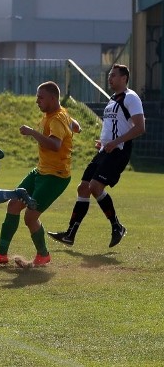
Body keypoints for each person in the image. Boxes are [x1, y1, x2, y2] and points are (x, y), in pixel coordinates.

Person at [0, 81, 79, 267]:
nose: (37, 101)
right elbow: (74, 123)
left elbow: (55, 145)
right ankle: (1, 254)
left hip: (55, 177)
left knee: (30, 217)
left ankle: (43, 255)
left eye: (41, 97)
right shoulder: (59, 113)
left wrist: (33, 132)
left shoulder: (56, 119)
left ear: (52, 98)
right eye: (37, 97)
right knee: (13, 205)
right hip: (40, 171)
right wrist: (74, 126)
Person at [48, 64, 145, 248]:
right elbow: (115, 126)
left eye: (114, 75)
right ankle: (70, 235)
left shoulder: (131, 97)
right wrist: (104, 142)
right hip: (105, 150)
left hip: (119, 151)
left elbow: (140, 128)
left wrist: (115, 142)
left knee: (94, 186)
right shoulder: (112, 99)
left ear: (124, 78)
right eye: (109, 75)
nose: (110, 78)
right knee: (83, 188)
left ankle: (117, 227)